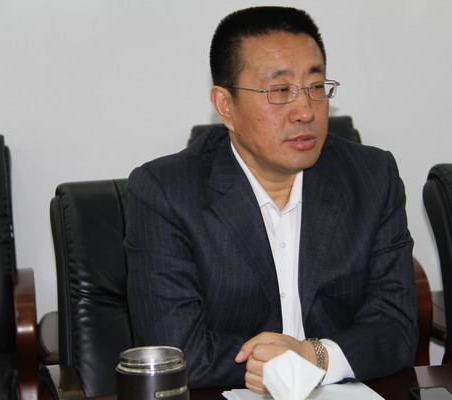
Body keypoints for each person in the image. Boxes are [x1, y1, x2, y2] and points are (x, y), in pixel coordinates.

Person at [125, 6, 417, 393]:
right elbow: (179, 352)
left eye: (316, 87)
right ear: (225, 105)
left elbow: (397, 328)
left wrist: (315, 357)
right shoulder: (166, 192)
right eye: (280, 91)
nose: (305, 111)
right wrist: (285, 366)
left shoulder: (373, 177)